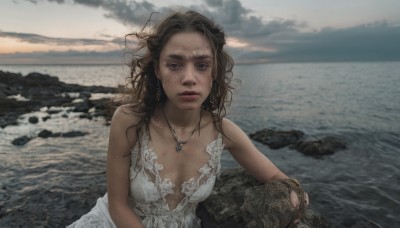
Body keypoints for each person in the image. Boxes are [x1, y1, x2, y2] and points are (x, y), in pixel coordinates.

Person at [68, 10, 308, 228]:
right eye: (174, 65)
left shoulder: (222, 131)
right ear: (158, 70)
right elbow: (118, 206)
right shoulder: (129, 120)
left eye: (202, 65)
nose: (189, 78)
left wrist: (292, 194)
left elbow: (278, 178)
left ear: (214, 72)